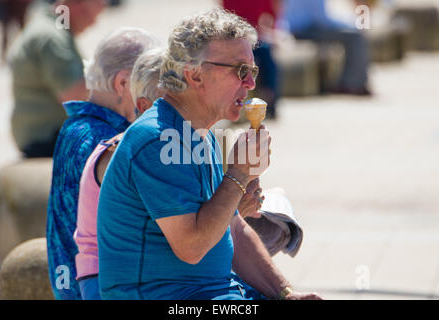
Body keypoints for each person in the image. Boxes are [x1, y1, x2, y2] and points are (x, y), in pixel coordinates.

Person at [97, 8, 322, 300]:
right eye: (239, 70)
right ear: (195, 75)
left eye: (252, 71)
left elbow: (235, 233)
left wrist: (286, 293)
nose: (251, 83)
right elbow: (191, 247)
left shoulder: (200, 135)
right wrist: (238, 174)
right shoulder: (156, 138)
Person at [46, 27, 159, 300]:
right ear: (123, 83)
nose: (160, 96)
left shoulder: (77, 127)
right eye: (152, 83)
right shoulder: (106, 140)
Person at [73, 47, 165, 300]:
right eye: (173, 103)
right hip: (108, 279)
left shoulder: (158, 148)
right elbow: (179, 234)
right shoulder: (125, 151)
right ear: (144, 106)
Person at [7, 0, 105, 157]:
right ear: (76, 5)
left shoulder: (54, 27)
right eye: (91, 14)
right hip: (46, 137)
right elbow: (73, 94)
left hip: (38, 133)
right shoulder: (52, 37)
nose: (94, 23)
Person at [279, 0, 371, 95]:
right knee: (356, 37)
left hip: (298, 28)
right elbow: (322, 19)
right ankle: (352, 84)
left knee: (353, 36)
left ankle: (351, 82)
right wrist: (352, 26)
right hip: (304, 30)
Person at [222, 0, 282, 119]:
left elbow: (271, 15)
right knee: (267, 58)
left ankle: (268, 97)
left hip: (253, 37)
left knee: (268, 59)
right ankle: (269, 98)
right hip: (237, 38)